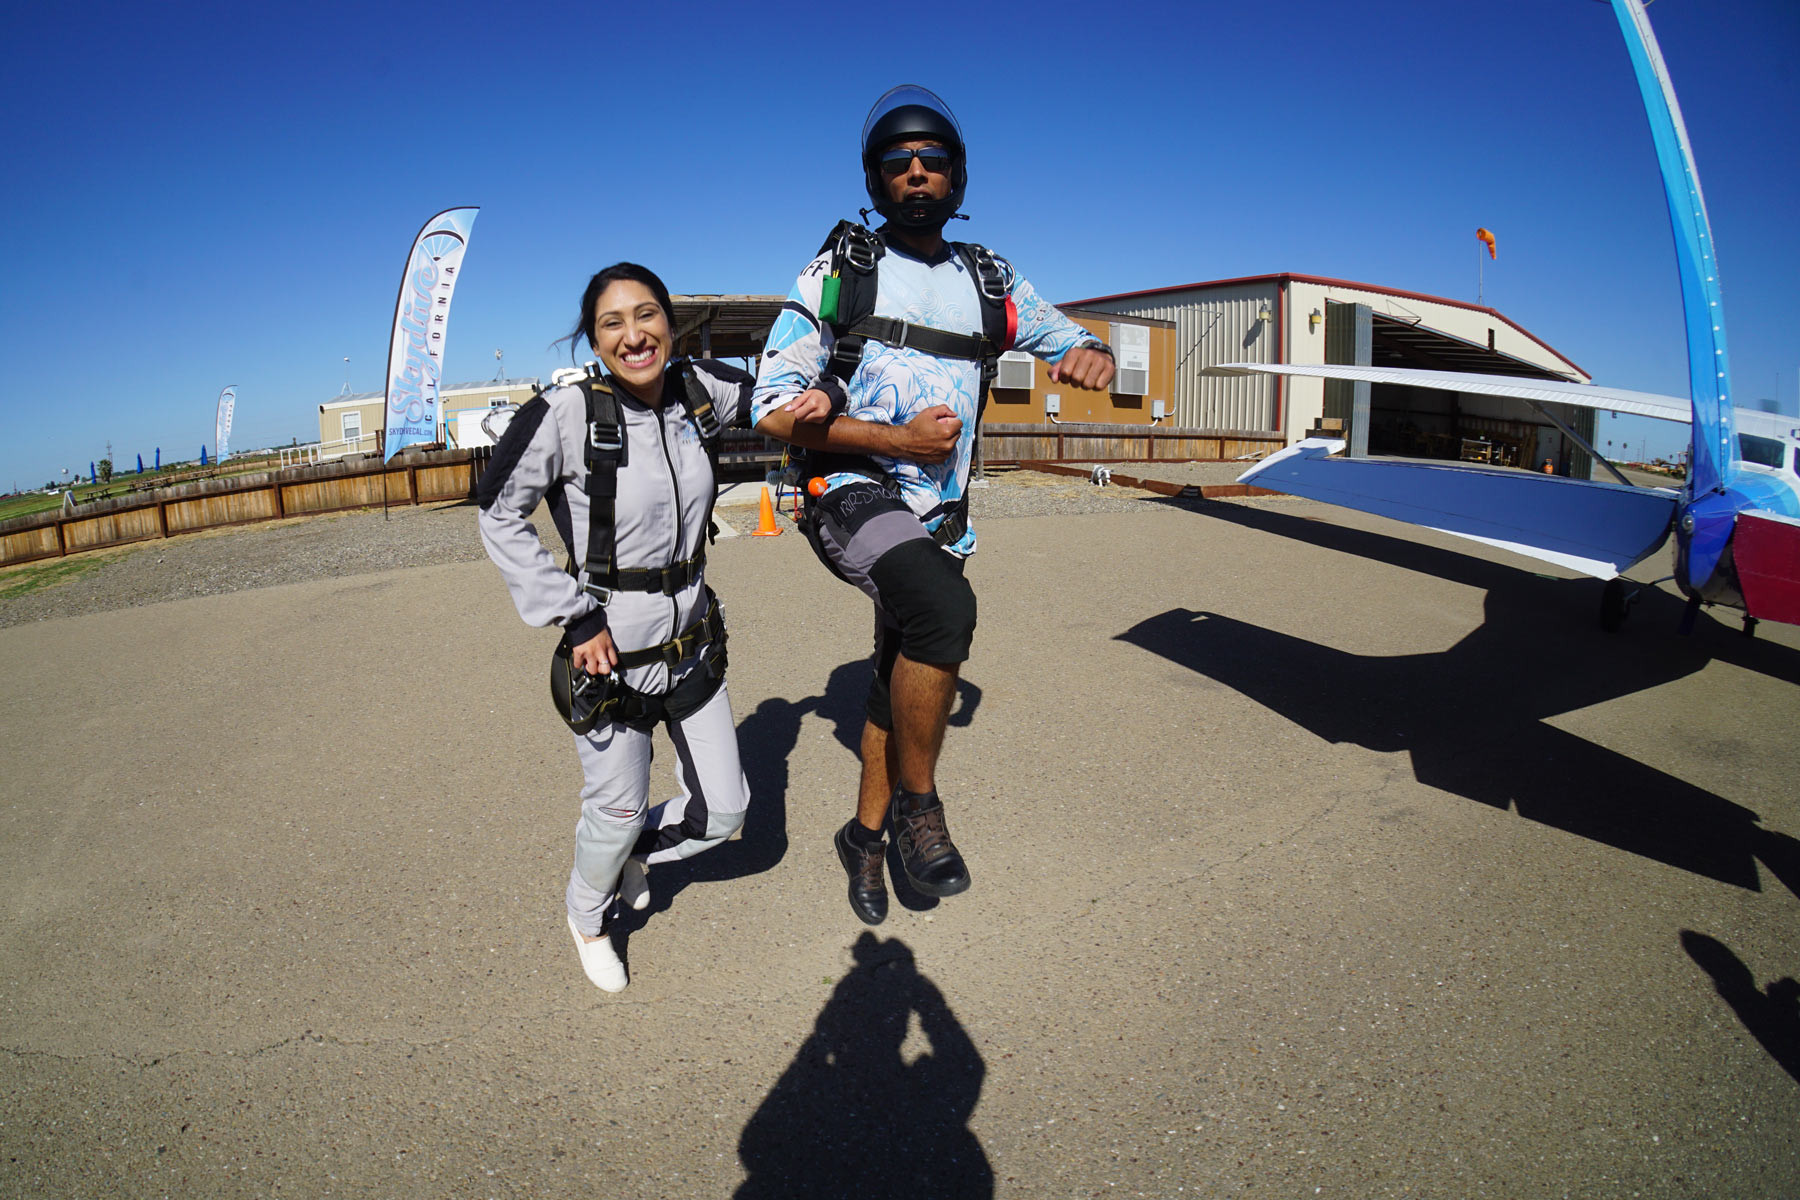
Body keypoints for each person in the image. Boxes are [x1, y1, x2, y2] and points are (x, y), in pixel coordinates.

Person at [752, 85, 1115, 925]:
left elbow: (1065, 335)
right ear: (875, 182)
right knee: (944, 608)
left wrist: (1091, 352)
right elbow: (769, 404)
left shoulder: (990, 277)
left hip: (940, 515)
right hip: (849, 490)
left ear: (956, 177)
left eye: (933, 163)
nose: (917, 176)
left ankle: (865, 838)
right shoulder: (841, 272)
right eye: (897, 166)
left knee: (896, 670)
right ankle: (922, 805)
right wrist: (894, 437)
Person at [478, 263, 754, 992]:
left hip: (692, 643)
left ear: (670, 321)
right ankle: (587, 915)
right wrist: (573, 617)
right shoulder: (567, 414)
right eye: (612, 322)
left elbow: (782, 395)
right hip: (608, 657)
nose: (634, 335)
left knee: (726, 813)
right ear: (594, 340)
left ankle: (640, 852)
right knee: (616, 806)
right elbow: (497, 509)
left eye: (647, 315)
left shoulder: (702, 391)